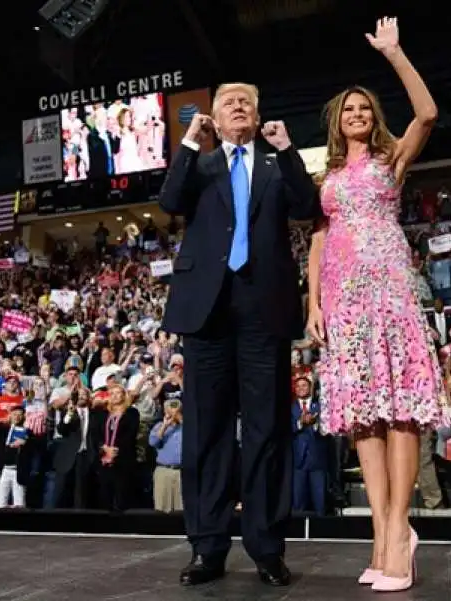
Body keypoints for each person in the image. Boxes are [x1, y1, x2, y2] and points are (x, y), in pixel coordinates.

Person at [159, 81, 317, 587]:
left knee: (267, 429)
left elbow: (306, 204)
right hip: (206, 310)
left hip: (263, 309)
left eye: (247, 101)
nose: (239, 108)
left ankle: (267, 548)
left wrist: (287, 146)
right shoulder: (200, 164)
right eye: (229, 102)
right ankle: (207, 547)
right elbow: (169, 199)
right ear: (214, 117)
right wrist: (189, 140)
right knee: (206, 431)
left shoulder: (275, 163)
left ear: (258, 113)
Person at [306, 17, 445, 593]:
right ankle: (381, 538)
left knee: (400, 409)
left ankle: (399, 532)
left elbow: (429, 114)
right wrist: (313, 303)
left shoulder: (393, 160)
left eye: (365, 109)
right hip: (342, 301)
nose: (357, 116)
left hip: (389, 292)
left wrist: (394, 54)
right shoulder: (327, 176)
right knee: (363, 416)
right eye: (349, 110)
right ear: (337, 121)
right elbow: (316, 239)